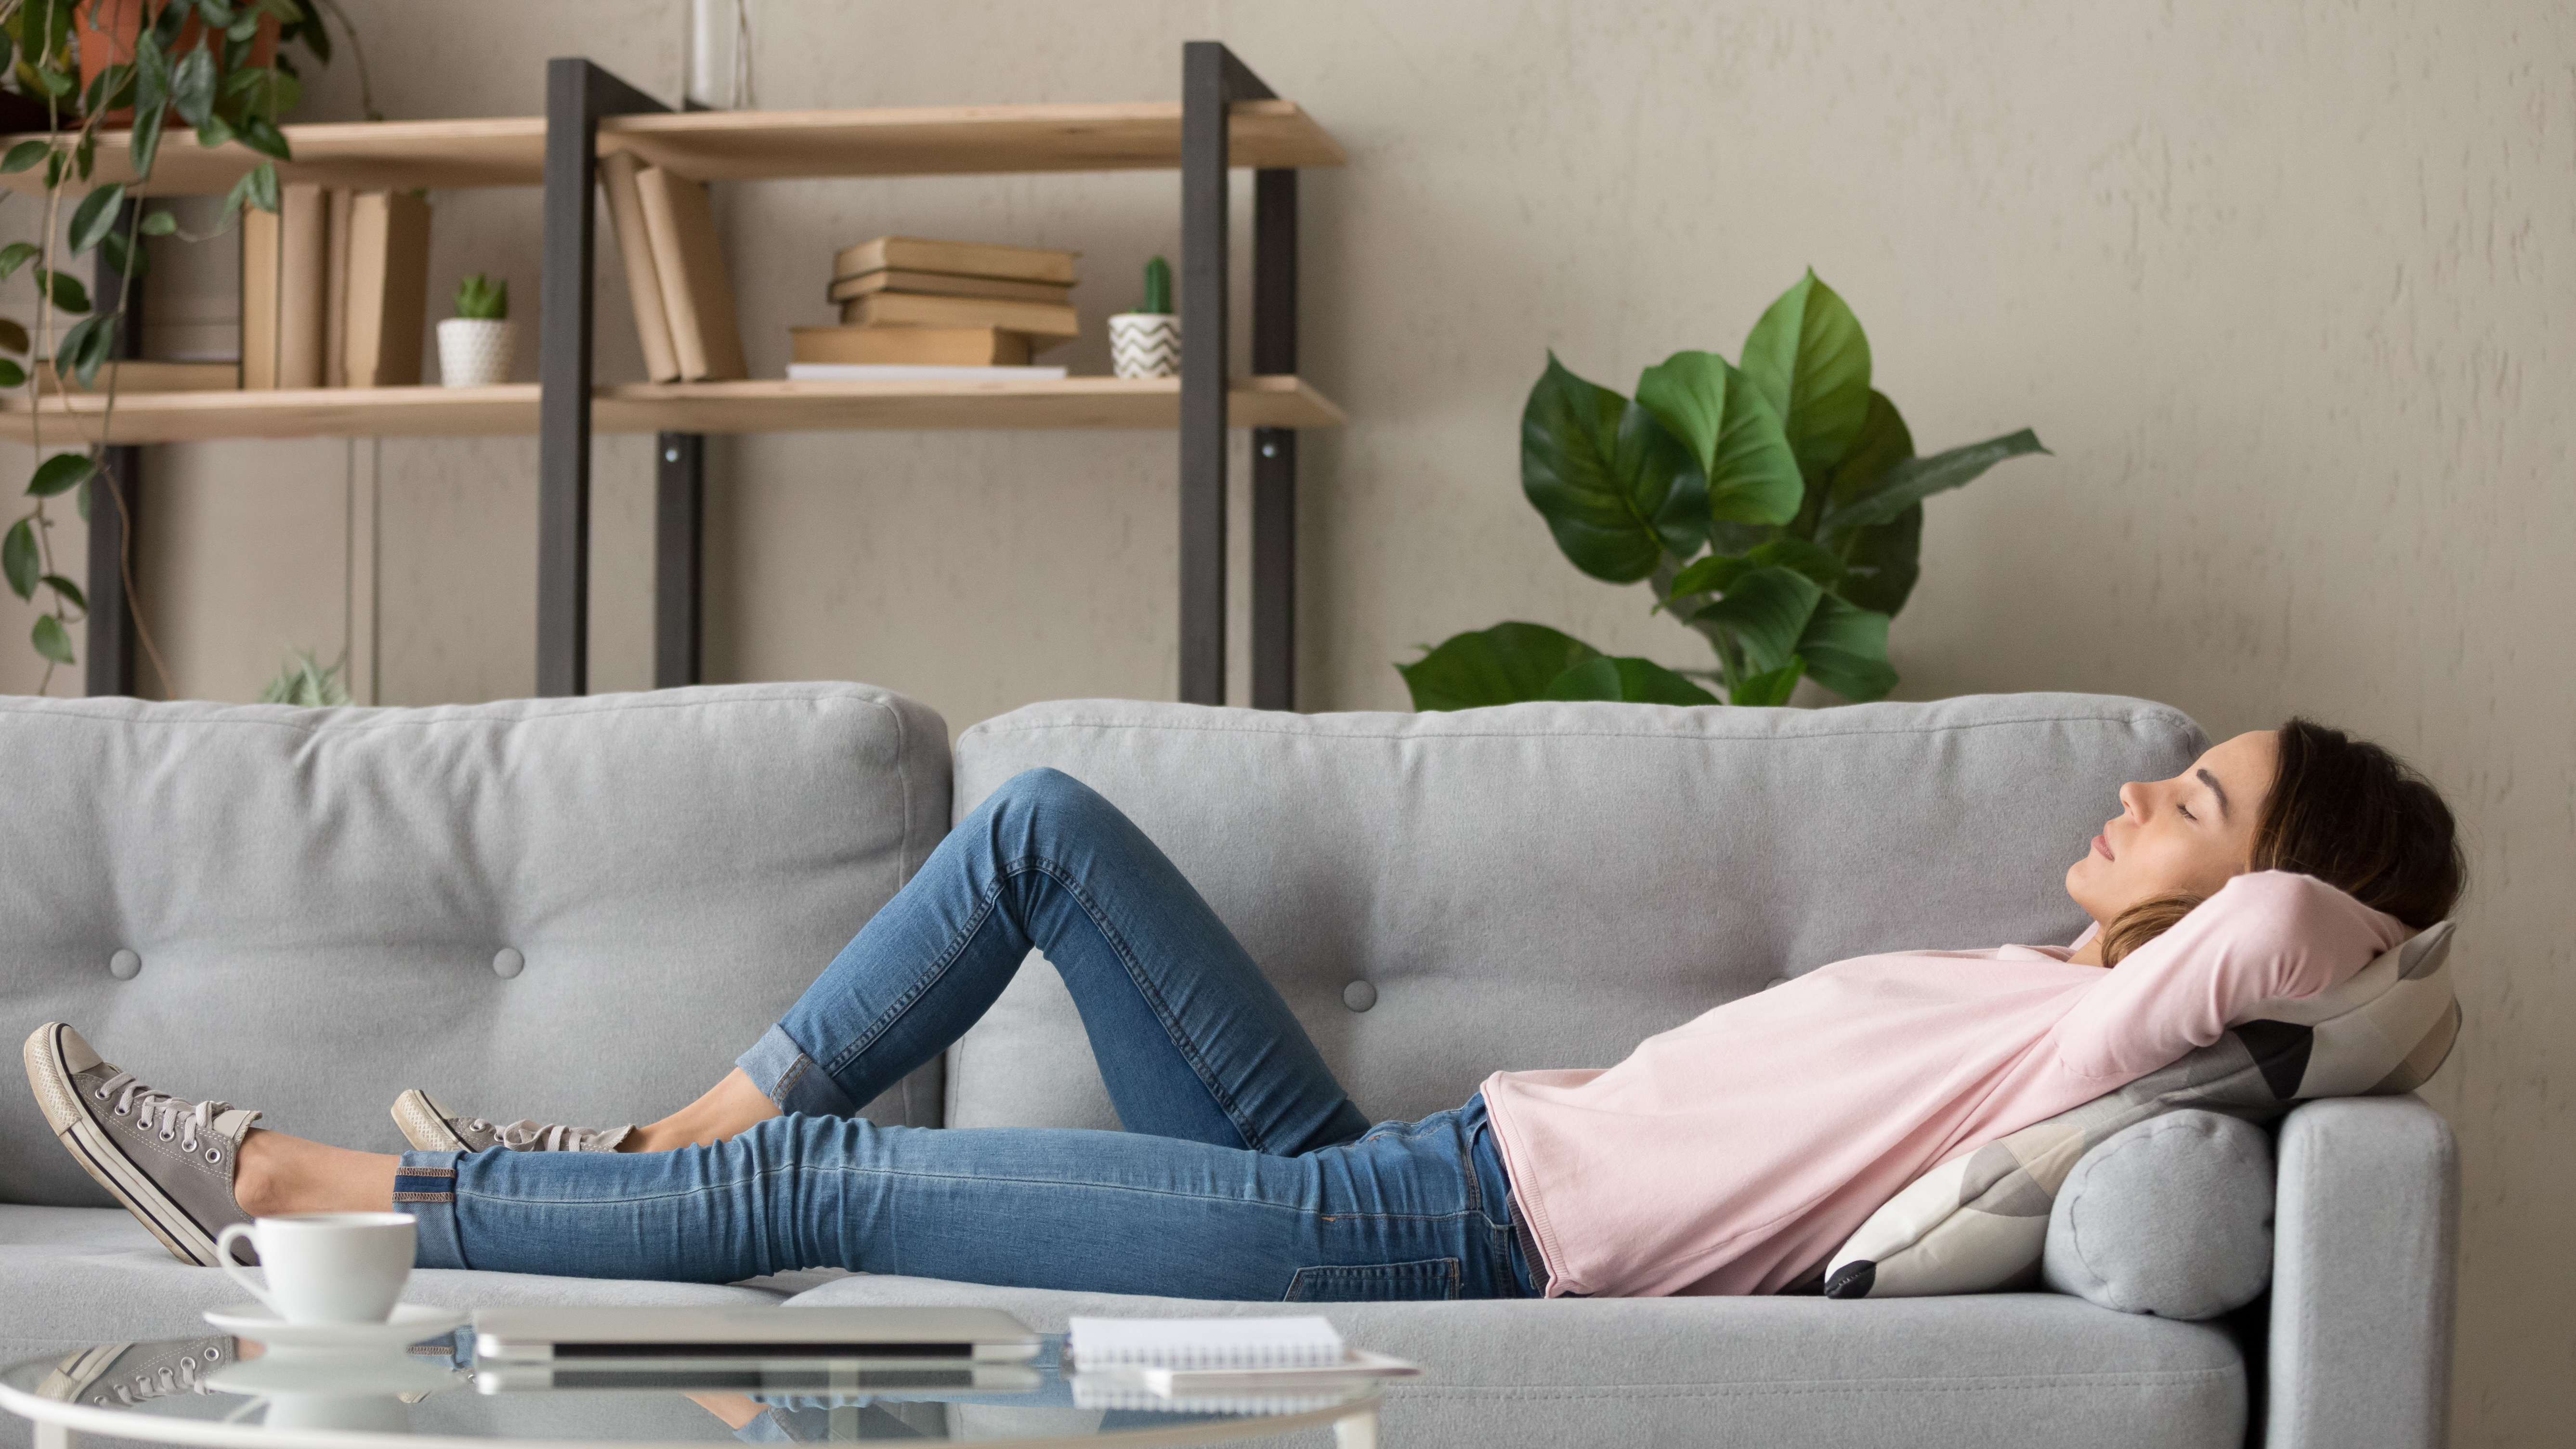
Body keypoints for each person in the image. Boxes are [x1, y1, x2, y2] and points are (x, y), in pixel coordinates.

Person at [25, 717, 2463, 1302]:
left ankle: (283, 1194)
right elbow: (2250, 925)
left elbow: (2308, 965)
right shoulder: (2049, 983)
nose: (2142, 788)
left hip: (1446, 1256)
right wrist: (2217, 873)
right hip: (1401, 1160)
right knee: (1043, 828)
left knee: (846, 1193)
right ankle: (636, 1162)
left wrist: (2345, 900)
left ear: (2270, 887)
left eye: (2198, 799)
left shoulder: (2127, 1037)